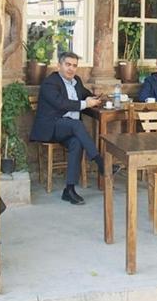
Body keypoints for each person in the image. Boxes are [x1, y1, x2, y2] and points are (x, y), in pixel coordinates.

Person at [30, 52, 105, 205]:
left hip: (68, 129)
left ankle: (69, 190)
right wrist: (86, 104)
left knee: (76, 142)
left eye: (74, 66)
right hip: (51, 127)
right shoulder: (50, 83)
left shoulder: (76, 81)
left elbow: (86, 95)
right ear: (59, 66)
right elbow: (61, 104)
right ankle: (100, 162)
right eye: (68, 64)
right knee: (76, 125)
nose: (71, 69)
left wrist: (94, 99)